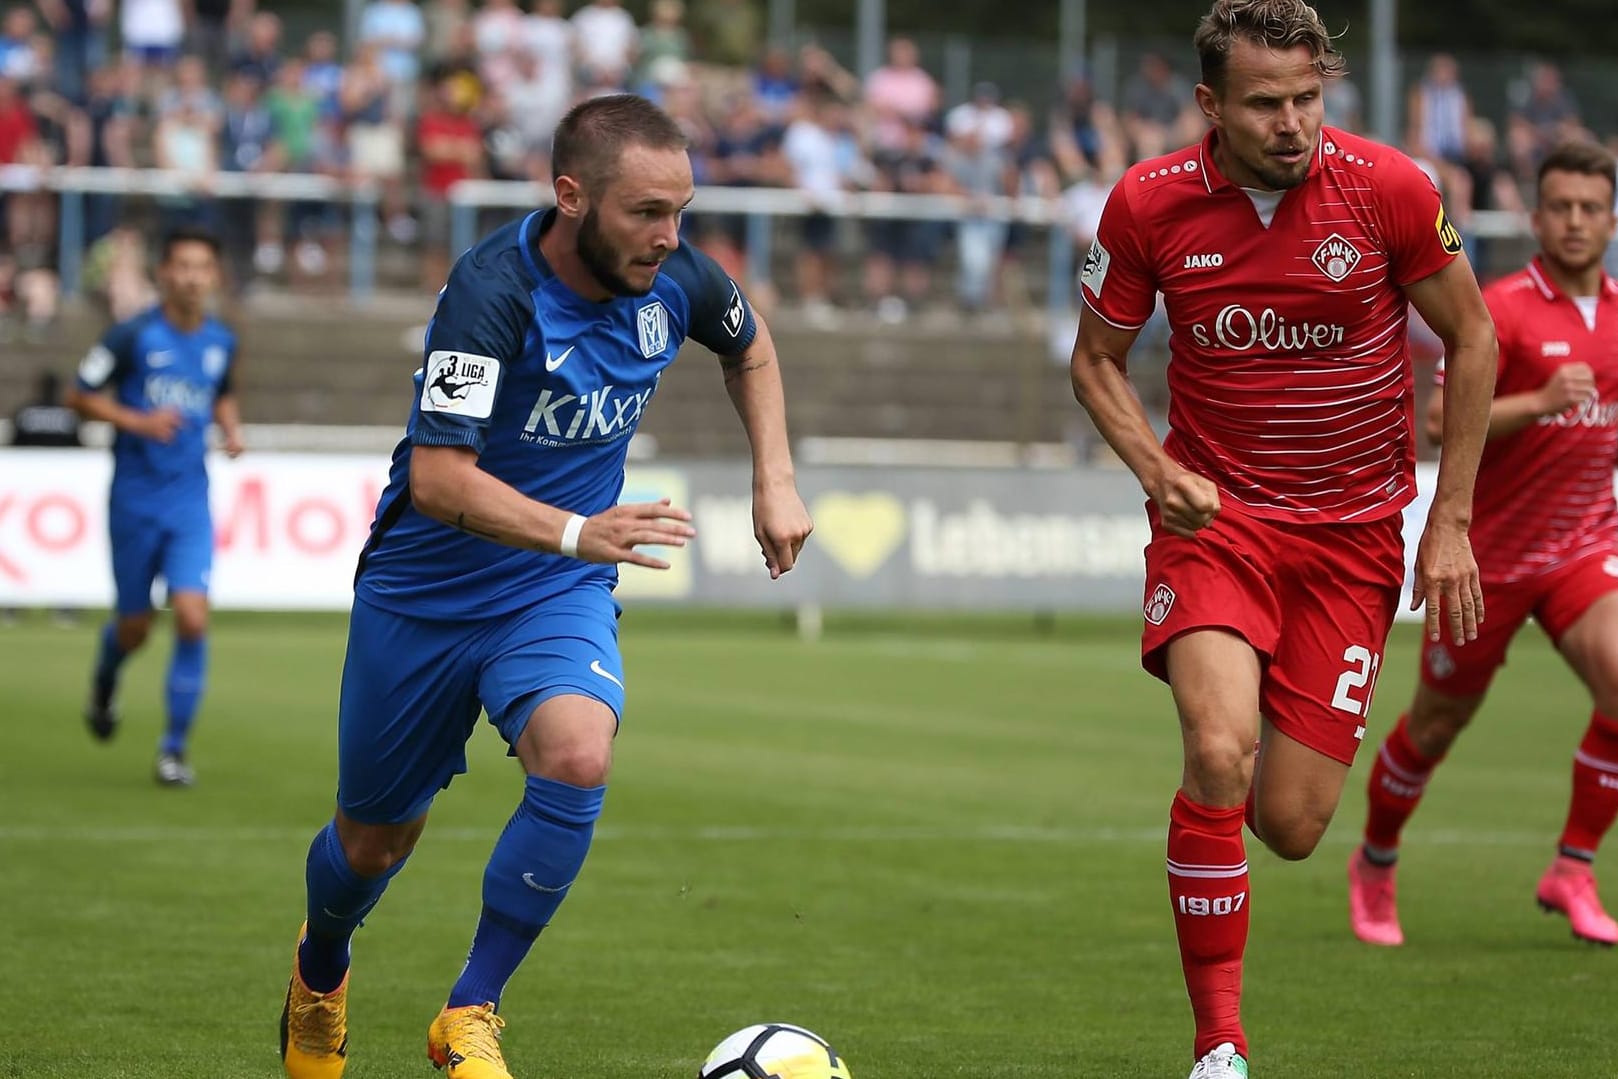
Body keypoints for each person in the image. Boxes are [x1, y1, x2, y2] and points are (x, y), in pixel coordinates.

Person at [277, 94, 812, 1079]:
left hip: (550, 589)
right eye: (645, 212)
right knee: (371, 843)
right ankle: (319, 970)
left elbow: (753, 347)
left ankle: (469, 1010)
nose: (669, 237)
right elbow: (438, 480)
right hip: (424, 591)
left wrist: (772, 477)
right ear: (571, 197)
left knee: (575, 755)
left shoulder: (677, 279)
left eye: (680, 211)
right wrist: (579, 528)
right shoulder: (492, 293)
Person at [1066, 2, 1497, 1075]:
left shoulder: (1390, 188)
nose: (1294, 121)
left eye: (1308, 97)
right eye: (1267, 103)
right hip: (1218, 524)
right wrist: (1156, 472)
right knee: (1217, 750)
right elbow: (1095, 361)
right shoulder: (1148, 204)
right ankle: (1219, 1046)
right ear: (1210, 105)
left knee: (1292, 822)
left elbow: (1473, 335)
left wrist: (1448, 519)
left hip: (1353, 541)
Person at [1349, 140, 1618, 950]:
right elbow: (1436, 424)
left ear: (1610, 220)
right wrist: (1536, 401)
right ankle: (1376, 860)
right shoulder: (1499, 305)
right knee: (1433, 727)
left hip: (1581, 550)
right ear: (1535, 217)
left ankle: (1572, 868)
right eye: (1560, 207)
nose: (1574, 221)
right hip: (1484, 560)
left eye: (1590, 208)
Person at [65, 225, 245, 787]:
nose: (192, 277)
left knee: (192, 617)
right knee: (136, 627)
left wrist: (231, 428)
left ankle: (172, 751)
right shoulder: (132, 335)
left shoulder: (221, 340)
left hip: (190, 499)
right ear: (164, 274)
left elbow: (222, 391)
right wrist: (138, 420)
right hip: (134, 500)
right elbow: (78, 396)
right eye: (182, 266)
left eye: (202, 267)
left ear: (214, 276)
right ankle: (105, 677)